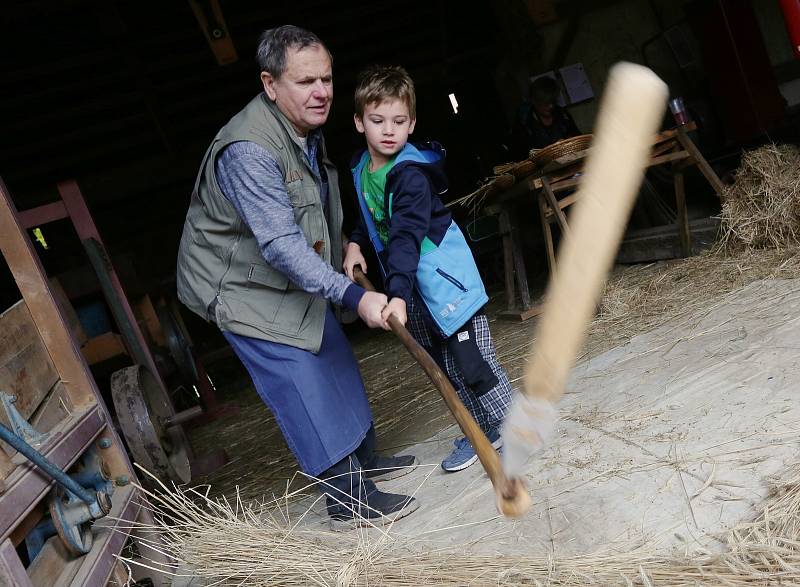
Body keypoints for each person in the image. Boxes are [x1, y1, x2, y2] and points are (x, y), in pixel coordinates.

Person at [175, 26, 419, 530]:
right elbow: (281, 245)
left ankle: (364, 460)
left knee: (331, 352)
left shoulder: (304, 129)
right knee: (299, 375)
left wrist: (347, 242)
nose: (322, 91)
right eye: (306, 81)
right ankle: (347, 500)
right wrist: (353, 295)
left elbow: (313, 204)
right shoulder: (248, 150)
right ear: (270, 84)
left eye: (326, 79)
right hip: (238, 287)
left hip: (282, 273)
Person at [343, 65, 514, 472]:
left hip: (443, 280)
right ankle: (483, 431)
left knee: (473, 361)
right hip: (413, 287)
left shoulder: (411, 176)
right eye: (377, 120)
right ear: (358, 122)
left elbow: (404, 234)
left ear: (412, 123)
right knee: (445, 363)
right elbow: (370, 216)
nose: (388, 130)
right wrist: (354, 243)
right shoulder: (362, 168)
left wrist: (396, 295)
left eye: (399, 122)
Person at [511, 75, 581, 159]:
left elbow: (578, 137)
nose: (551, 106)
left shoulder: (562, 115)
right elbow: (519, 154)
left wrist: (570, 142)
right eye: (546, 102)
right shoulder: (524, 121)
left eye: (552, 101)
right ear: (534, 101)